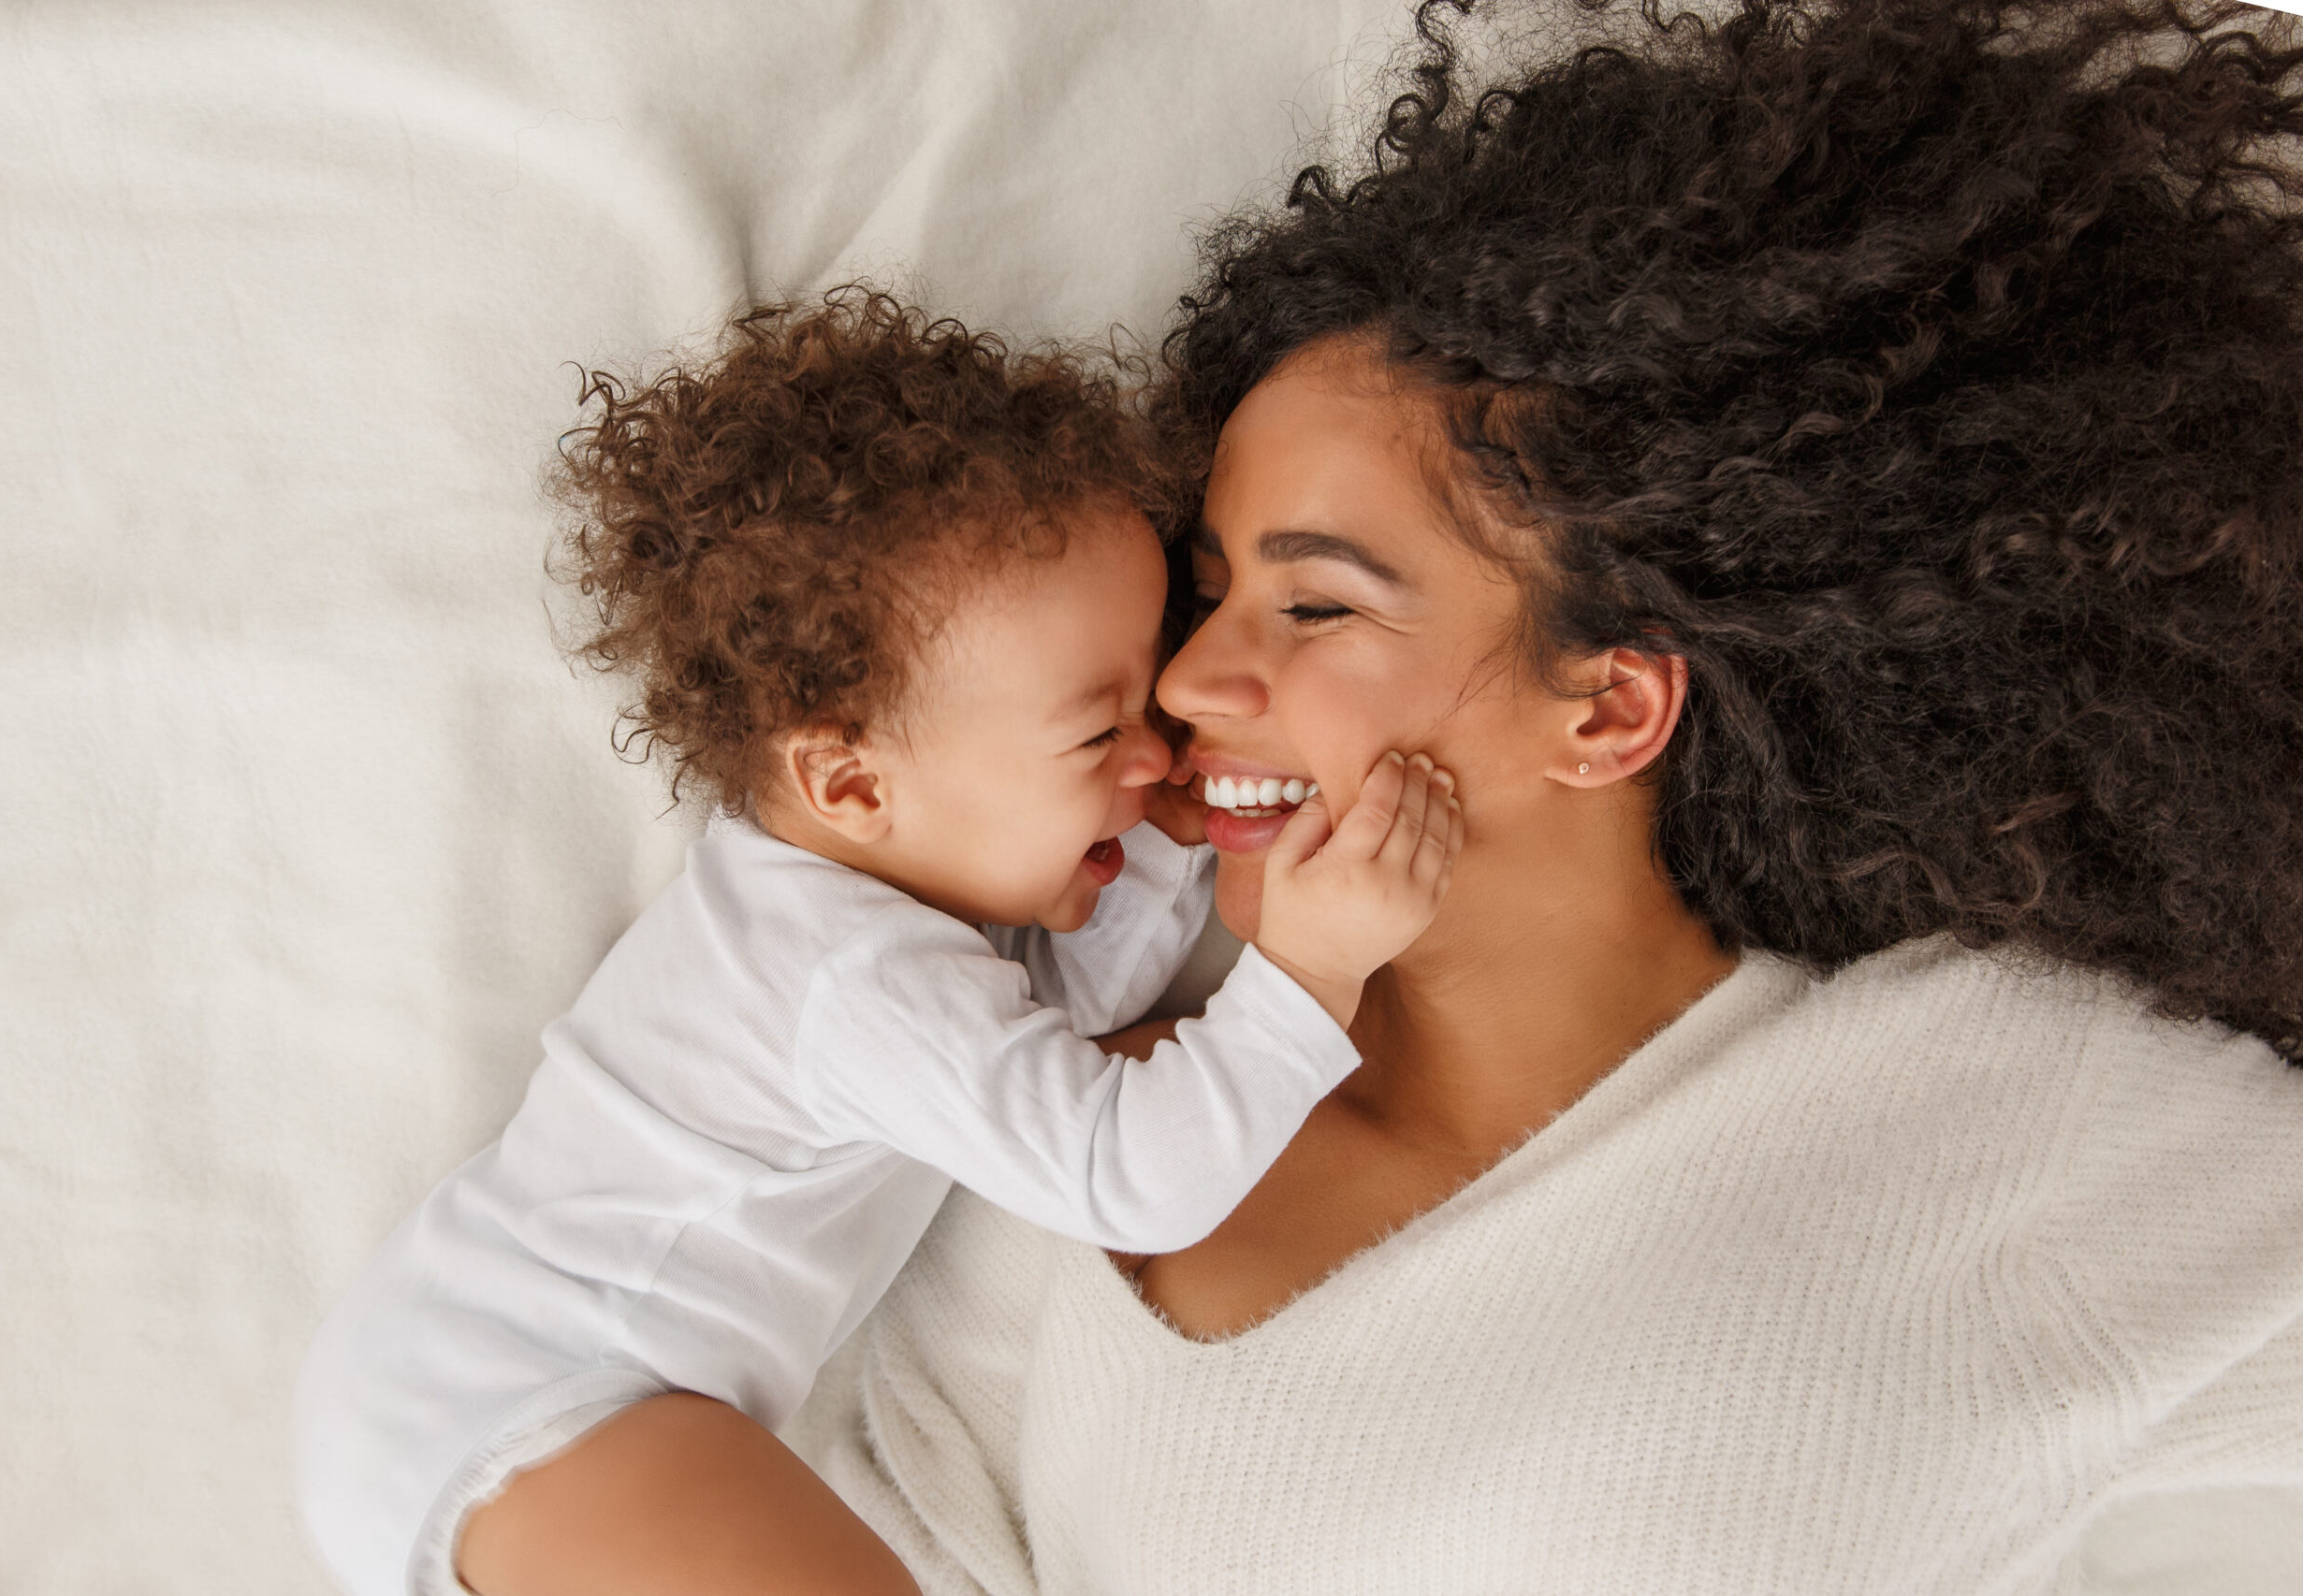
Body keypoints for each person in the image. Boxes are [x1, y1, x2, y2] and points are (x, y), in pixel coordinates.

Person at [766, 2, 2303, 1591]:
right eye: (1210, 597)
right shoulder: (1074, 1113)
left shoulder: (1980, 1119)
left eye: (1314, 606)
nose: (1190, 685)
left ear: (1608, 704)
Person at [291, 290, 1462, 1596]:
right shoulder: (845, 973)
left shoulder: (855, 908)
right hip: (536, 1399)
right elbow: (1121, 1165)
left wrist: (1161, 838)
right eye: (1099, 735)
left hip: (479, 1388)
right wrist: (1308, 973)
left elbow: (1053, 1026)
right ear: (850, 783)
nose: (1159, 751)